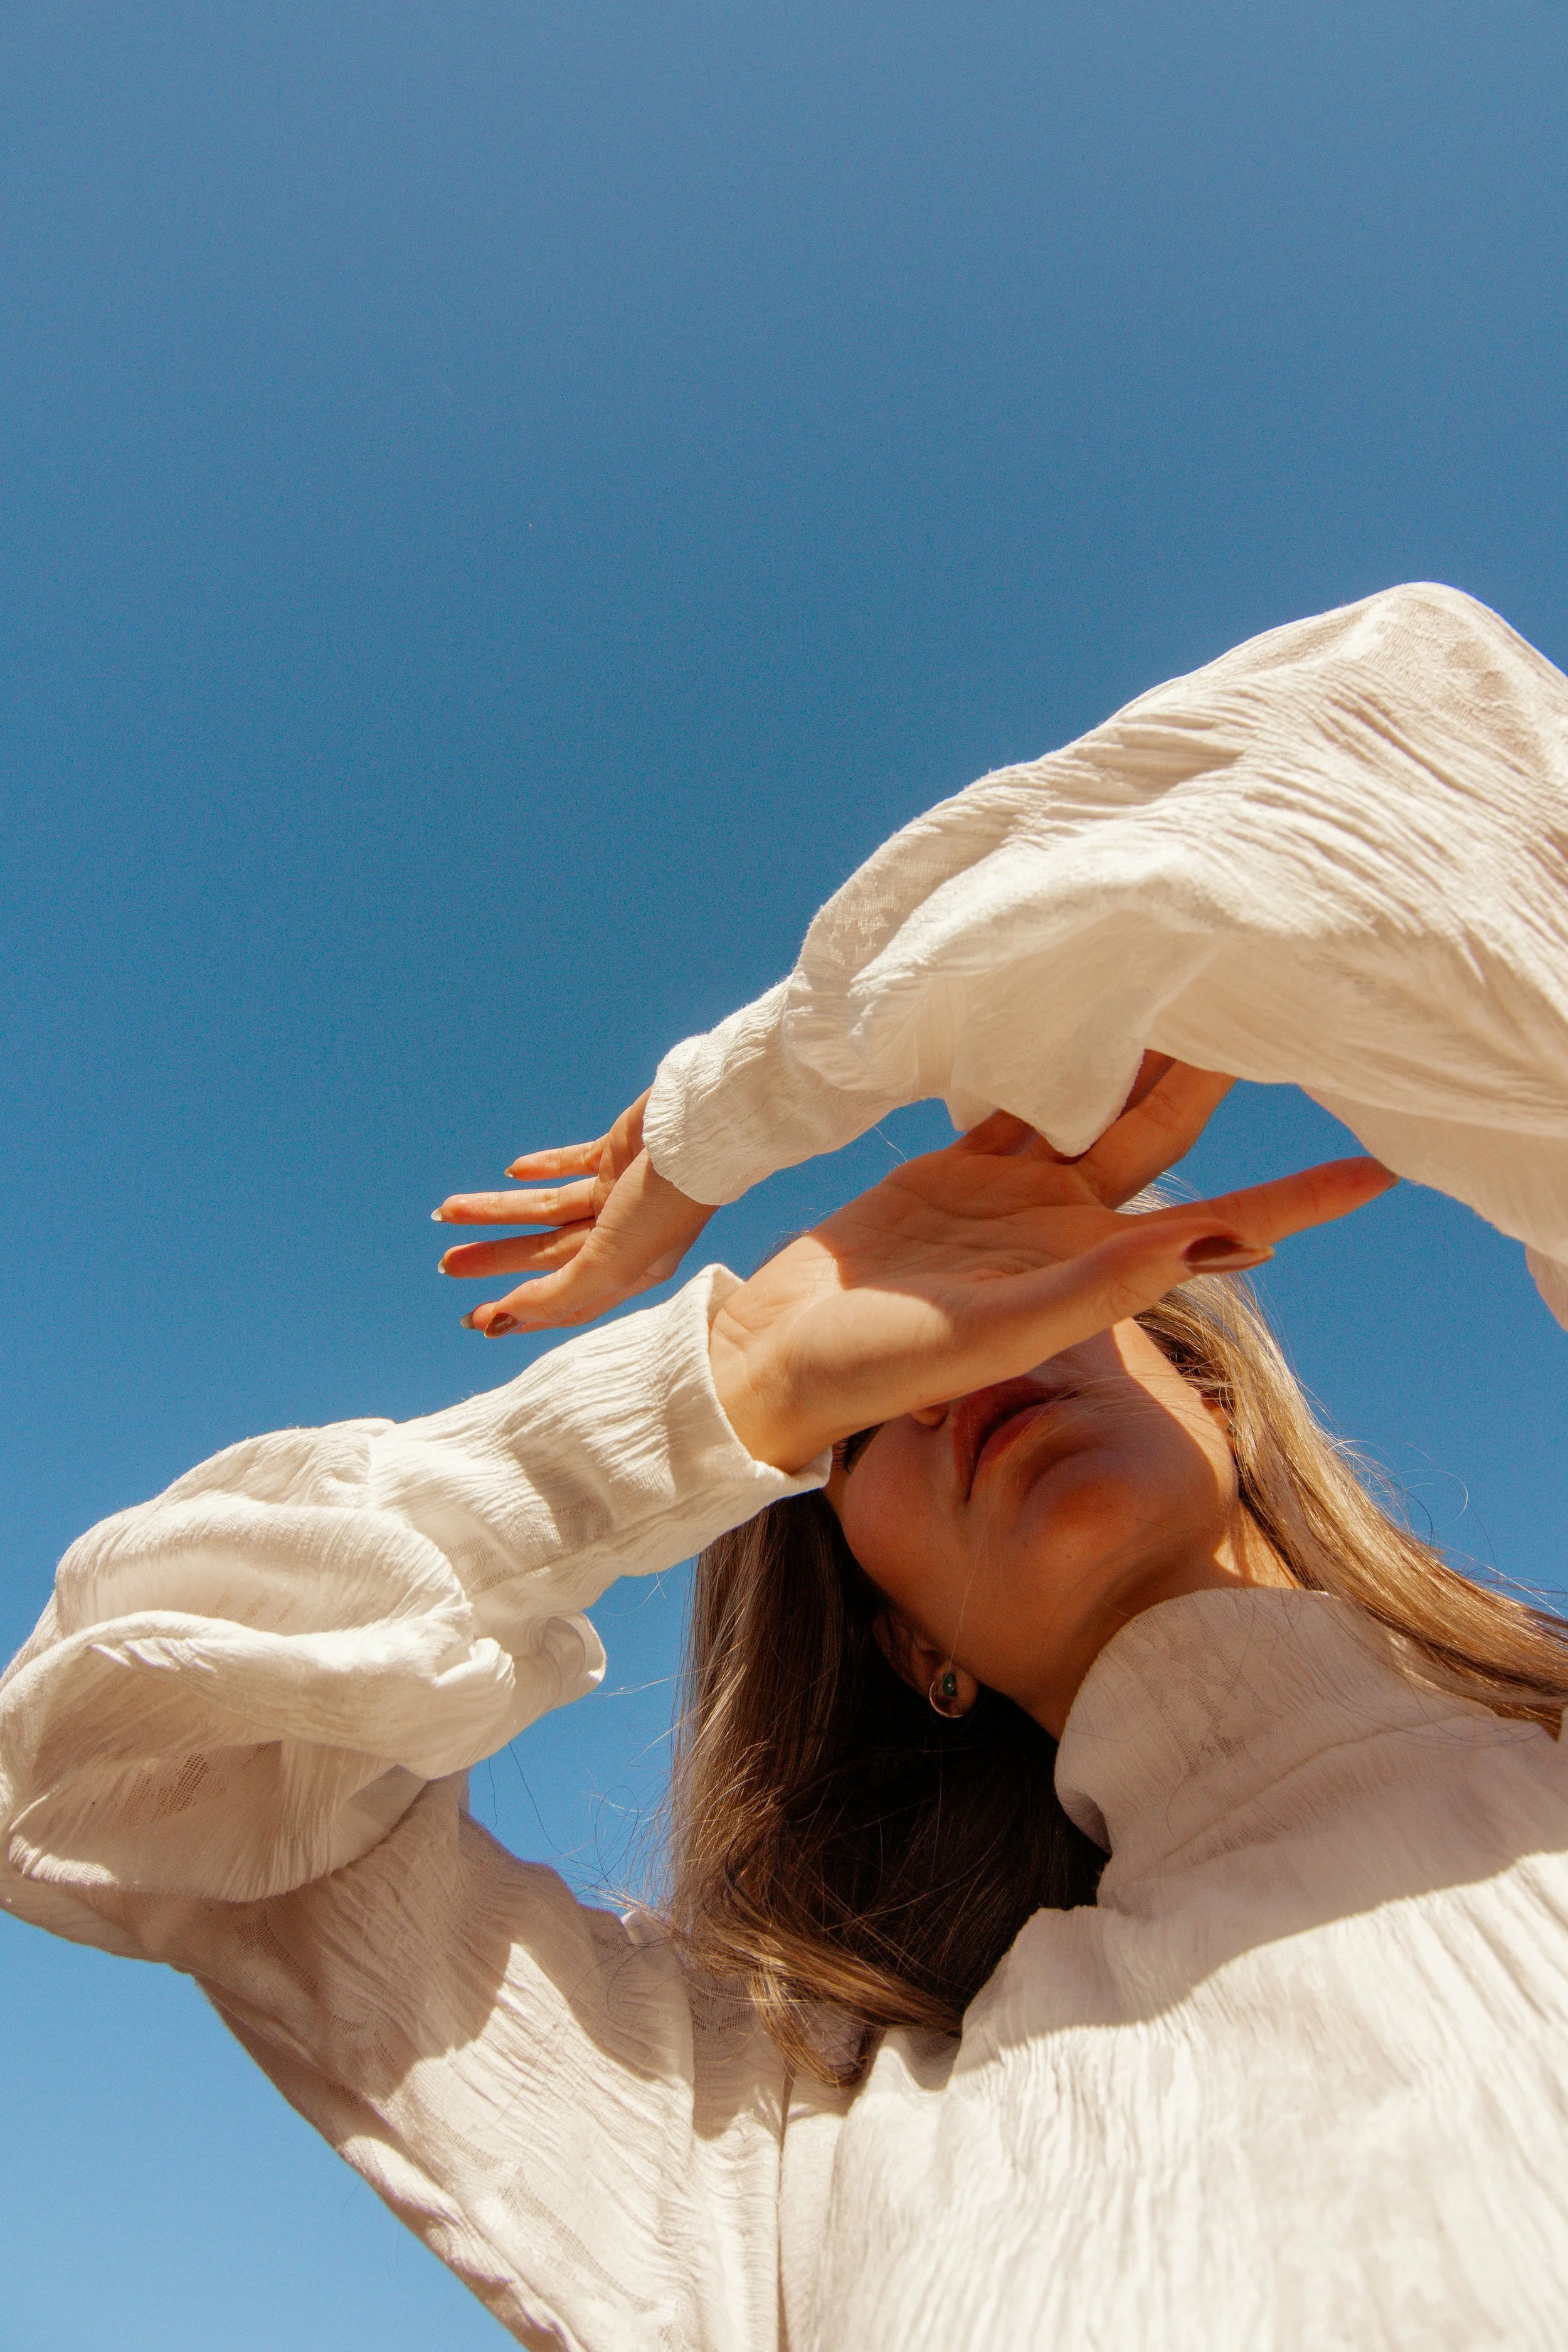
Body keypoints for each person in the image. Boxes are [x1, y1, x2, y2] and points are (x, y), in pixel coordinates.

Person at [5, 580, 1568, 2351]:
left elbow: (1424, 736)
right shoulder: (781, 2149)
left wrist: (729, 1118)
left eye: (1014, 1319)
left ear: (1219, 1396)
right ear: (916, 1647)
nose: (947, 1382)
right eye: (861, 1417)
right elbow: (126, 1760)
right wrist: (724, 1376)